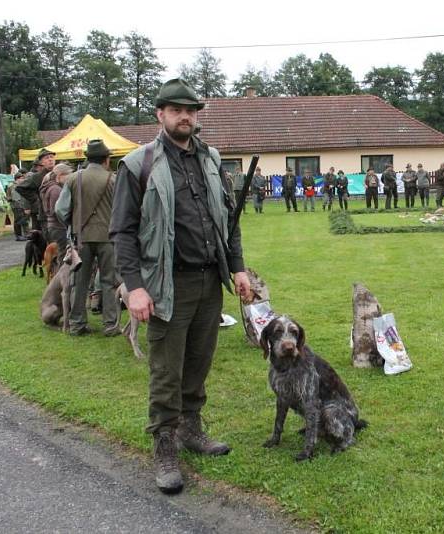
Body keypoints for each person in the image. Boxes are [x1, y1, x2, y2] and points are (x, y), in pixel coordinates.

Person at [109, 78, 251, 495]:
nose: (185, 116)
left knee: (198, 363)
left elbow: (229, 220)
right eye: (176, 110)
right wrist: (133, 287)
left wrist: (238, 268)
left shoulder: (211, 159)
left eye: (191, 110)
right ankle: (165, 445)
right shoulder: (139, 164)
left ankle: (192, 429)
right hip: (166, 285)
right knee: (166, 370)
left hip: (210, 281)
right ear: (160, 115)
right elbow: (122, 232)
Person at [55, 140, 117, 337]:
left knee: (79, 282)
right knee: (109, 281)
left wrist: (72, 224)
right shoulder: (113, 179)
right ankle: (110, 324)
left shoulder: (73, 179)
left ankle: (77, 324)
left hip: (80, 238)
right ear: (106, 160)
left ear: (87, 158)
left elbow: (60, 209)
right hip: (108, 237)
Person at [17, 148, 56, 231]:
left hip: (60, 213)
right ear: (42, 162)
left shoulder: (59, 173)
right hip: (46, 215)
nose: (50, 159)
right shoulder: (38, 176)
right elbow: (20, 187)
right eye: (47, 158)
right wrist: (36, 199)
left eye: (51, 157)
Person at [40, 163, 73, 258]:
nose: (69, 179)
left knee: (58, 255)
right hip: (58, 226)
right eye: (68, 176)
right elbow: (57, 210)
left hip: (53, 226)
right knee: (63, 256)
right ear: (60, 175)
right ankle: (61, 273)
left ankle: (57, 272)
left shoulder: (50, 187)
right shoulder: (56, 189)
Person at [7, 171, 30, 241]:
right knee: (18, 221)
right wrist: (23, 207)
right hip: (17, 206)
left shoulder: (19, 186)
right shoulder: (14, 186)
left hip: (21, 205)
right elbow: (16, 198)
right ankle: (18, 235)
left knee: (24, 220)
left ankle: (26, 234)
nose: (23, 179)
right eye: (22, 178)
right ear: (17, 179)